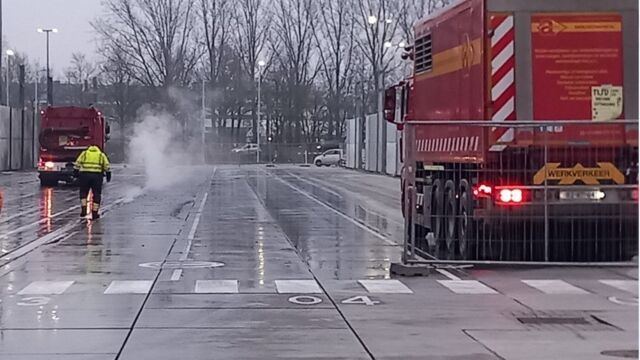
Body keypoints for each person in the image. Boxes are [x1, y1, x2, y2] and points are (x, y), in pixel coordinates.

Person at [74, 145, 111, 219]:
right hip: (97, 176)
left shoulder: (84, 154)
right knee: (97, 194)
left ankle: (83, 210)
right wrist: (108, 175)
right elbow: (106, 166)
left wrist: (75, 172)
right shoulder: (101, 155)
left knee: (83, 193)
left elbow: (77, 163)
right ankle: (95, 213)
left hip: (85, 175)